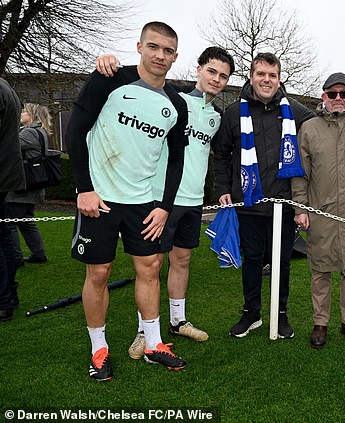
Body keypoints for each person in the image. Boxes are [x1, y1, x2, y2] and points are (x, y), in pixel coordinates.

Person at [66, 21, 189, 382]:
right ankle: (99, 350)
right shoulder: (109, 79)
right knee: (99, 274)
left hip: (143, 203)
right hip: (100, 198)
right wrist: (83, 187)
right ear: (139, 46)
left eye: (168, 51)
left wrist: (165, 206)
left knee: (150, 269)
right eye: (154, 47)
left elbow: (177, 158)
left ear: (175, 57)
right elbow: (75, 130)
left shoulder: (176, 104)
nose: (160, 56)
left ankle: (153, 345)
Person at [94, 47, 236, 356]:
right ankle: (145, 331)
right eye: (211, 71)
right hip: (160, 199)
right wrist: (108, 65)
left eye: (223, 75)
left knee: (182, 261)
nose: (216, 79)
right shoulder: (172, 101)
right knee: (151, 265)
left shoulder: (217, 116)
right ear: (198, 69)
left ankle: (177, 321)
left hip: (193, 200)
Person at [214, 52, 315, 339]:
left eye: (272, 75)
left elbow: (325, 125)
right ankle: (252, 313)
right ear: (251, 77)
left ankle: (280, 315)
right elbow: (221, 154)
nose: (266, 80)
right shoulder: (234, 112)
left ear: (279, 78)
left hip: (283, 205)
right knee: (252, 260)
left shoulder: (294, 109)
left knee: (282, 261)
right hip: (248, 203)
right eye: (261, 74)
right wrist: (222, 189)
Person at [292, 72, 345, 349]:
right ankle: (320, 322)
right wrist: (300, 207)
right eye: (333, 94)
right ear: (323, 96)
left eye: (344, 93)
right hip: (321, 210)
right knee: (320, 269)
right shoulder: (309, 128)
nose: (338, 99)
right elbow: (300, 173)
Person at [7, 103, 51, 267]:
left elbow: (8, 146)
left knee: (9, 221)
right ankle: (38, 254)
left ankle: (15, 258)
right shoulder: (39, 131)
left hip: (22, 186)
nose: (21, 113)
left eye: (24, 111)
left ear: (33, 115)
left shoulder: (29, 133)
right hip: (33, 185)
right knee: (26, 221)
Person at [0, 77, 24, 322]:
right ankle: (8, 295)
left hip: (3, 172)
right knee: (5, 232)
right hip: (6, 173)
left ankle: (3, 299)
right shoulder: (6, 86)